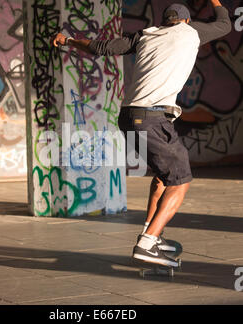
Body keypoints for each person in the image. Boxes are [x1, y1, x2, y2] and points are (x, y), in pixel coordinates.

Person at [51, 0, 231, 267]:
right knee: (180, 180)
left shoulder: (146, 35)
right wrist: (215, 1)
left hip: (129, 118)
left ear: (165, 21)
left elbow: (102, 47)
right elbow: (225, 23)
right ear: (184, 21)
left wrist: (67, 40)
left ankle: (152, 232)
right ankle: (147, 244)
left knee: (162, 176)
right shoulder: (191, 32)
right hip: (152, 119)